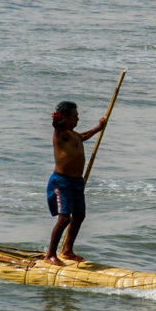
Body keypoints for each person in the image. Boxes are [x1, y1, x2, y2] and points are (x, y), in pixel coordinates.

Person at [45, 101, 107, 266]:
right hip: (62, 181)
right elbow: (57, 123)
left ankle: (67, 251)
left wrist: (99, 128)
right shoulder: (60, 132)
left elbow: (84, 136)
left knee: (79, 216)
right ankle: (50, 255)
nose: (78, 119)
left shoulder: (74, 135)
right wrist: (58, 117)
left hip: (76, 182)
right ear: (65, 119)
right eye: (75, 116)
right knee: (64, 218)